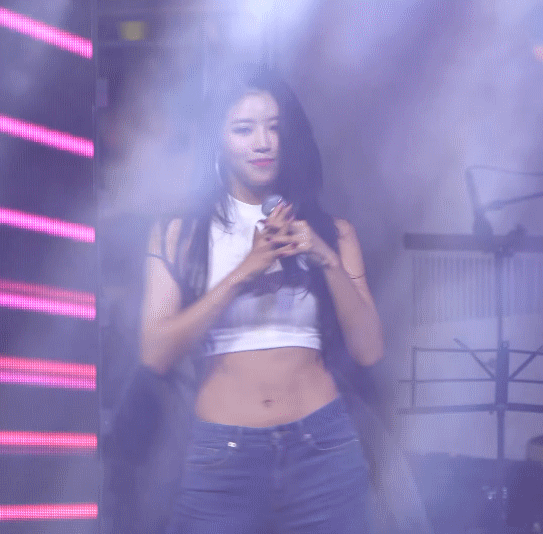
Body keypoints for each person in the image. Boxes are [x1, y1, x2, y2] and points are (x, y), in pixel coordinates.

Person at [139, 63, 384, 534]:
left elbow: (370, 349)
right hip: (225, 455)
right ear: (218, 139)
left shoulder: (333, 233)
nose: (263, 142)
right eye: (244, 129)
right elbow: (156, 353)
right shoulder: (179, 235)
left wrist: (324, 257)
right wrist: (244, 272)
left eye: (274, 127)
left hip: (322, 449)